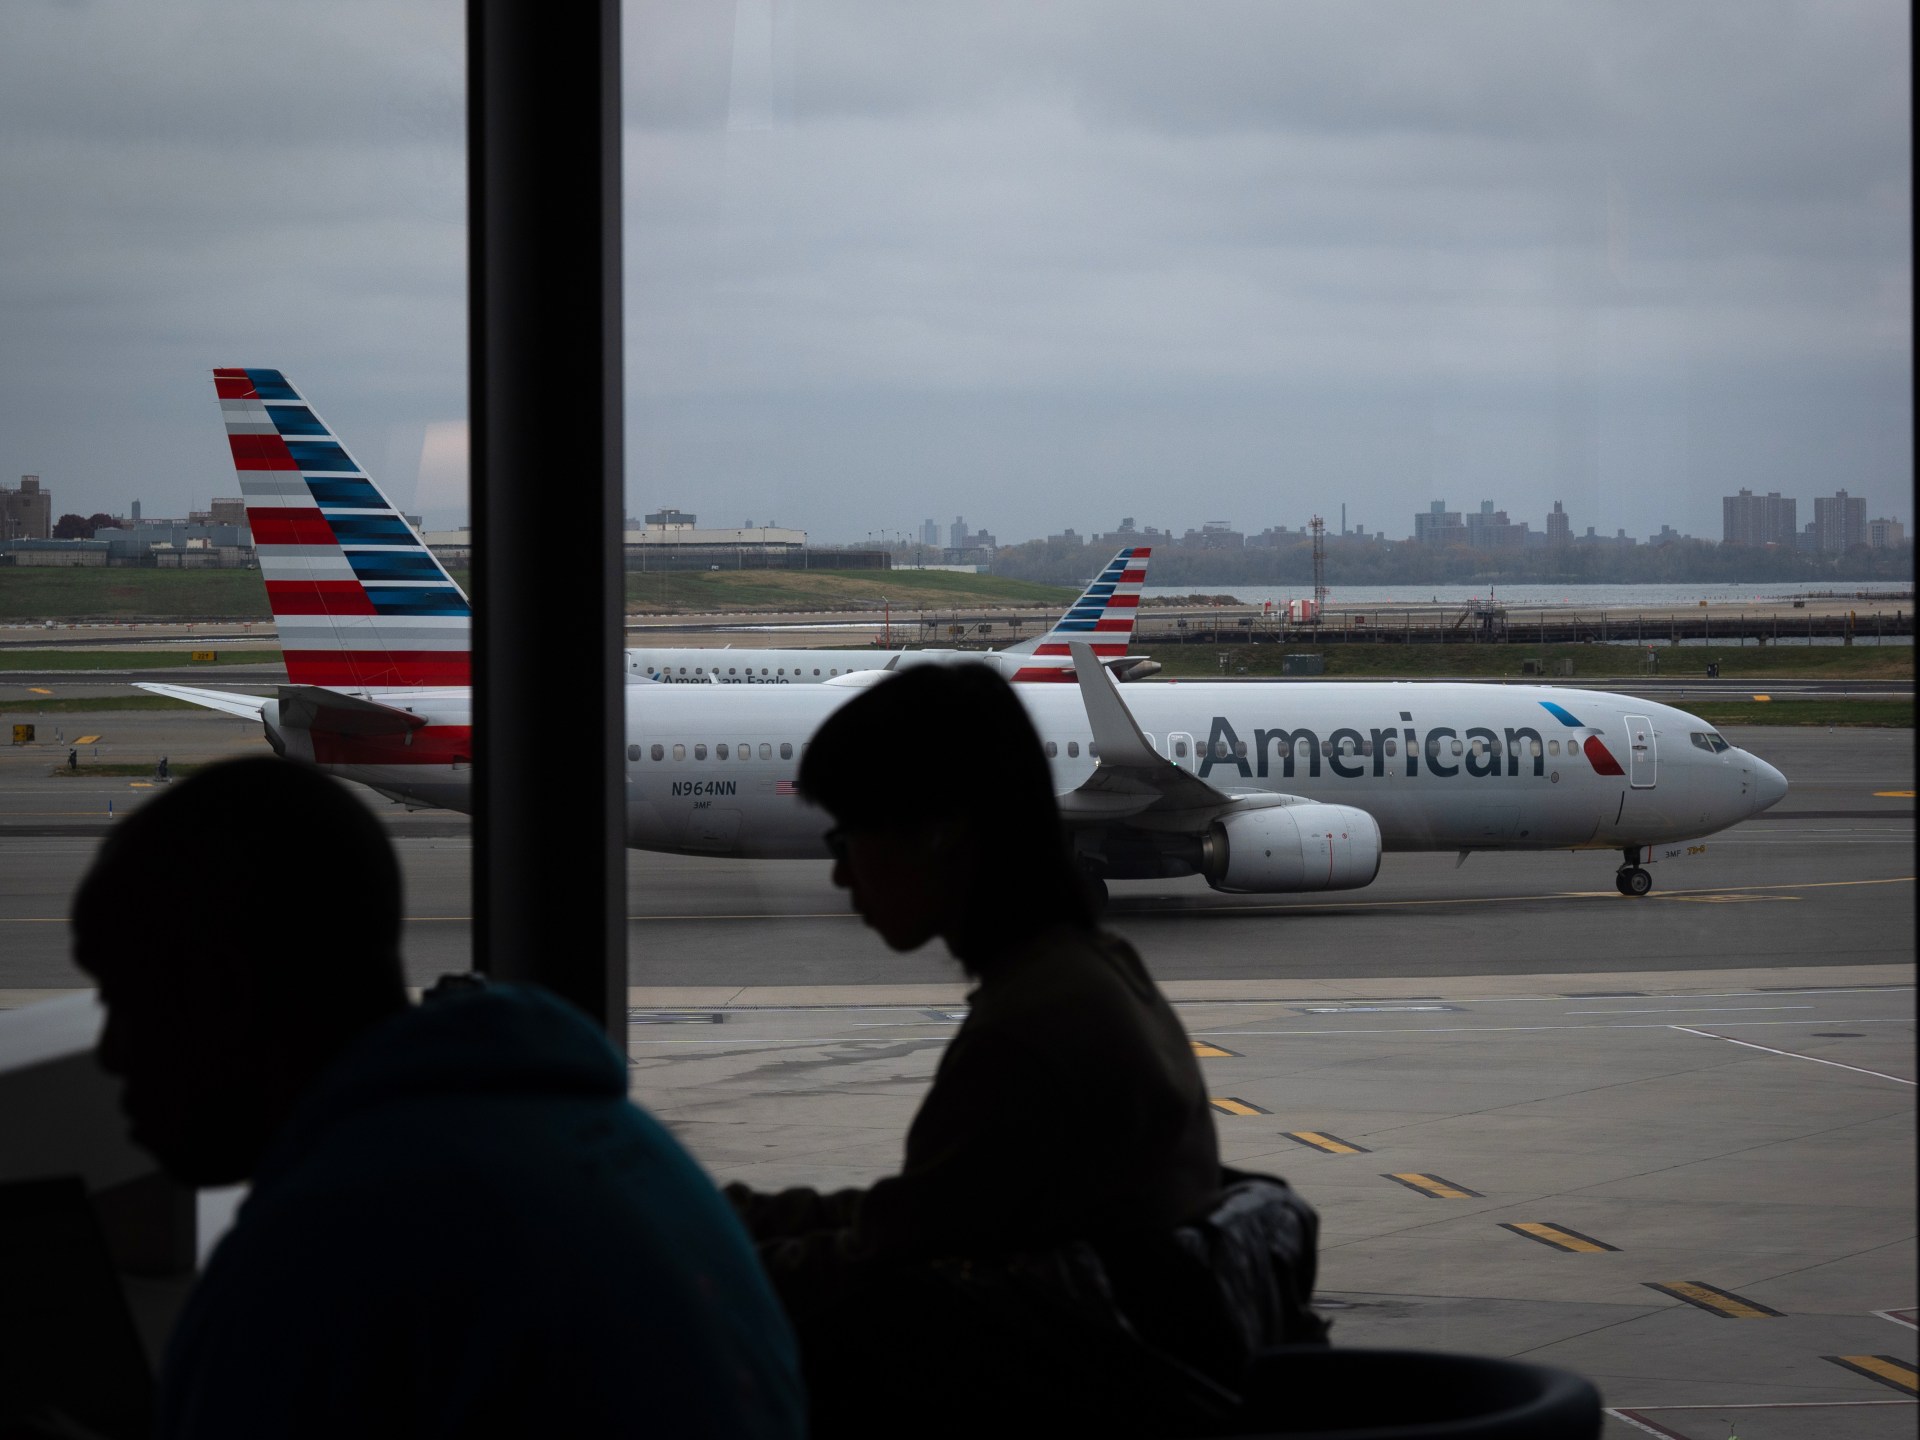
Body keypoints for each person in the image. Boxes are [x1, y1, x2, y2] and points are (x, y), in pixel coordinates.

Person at [71, 757, 804, 1439]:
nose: (109, 1054)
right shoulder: (612, 1140)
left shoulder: (325, 1252)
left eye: (126, 1001)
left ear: (225, 993)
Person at [726, 664, 1323, 1437]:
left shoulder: (1033, 1036)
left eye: (850, 837)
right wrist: (739, 1217)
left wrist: (702, 1250)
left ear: (941, 834)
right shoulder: (1091, 976)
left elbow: (885, 1265)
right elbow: (926, 1216)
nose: (839, 872)